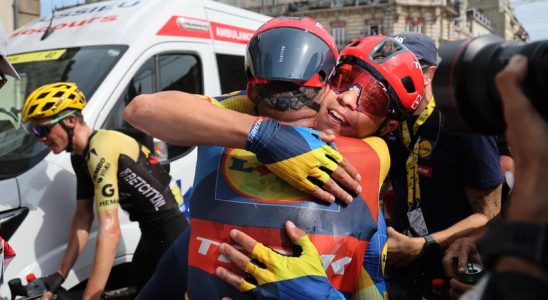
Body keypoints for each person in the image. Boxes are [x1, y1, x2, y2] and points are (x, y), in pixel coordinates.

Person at [125, 19, 424, 299]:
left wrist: (315, 295)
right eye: (345, 80)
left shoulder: (368, 172)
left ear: (387, 127)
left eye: (372, 99)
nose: (348, 98)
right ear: (325, 77)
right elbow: (142, 110)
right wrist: (264, 135)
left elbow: (371, 289)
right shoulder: (258, 106)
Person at [21, 82, 187, 300]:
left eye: (42, 129)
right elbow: (82, 217)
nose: (39, 137)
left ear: (70, 121)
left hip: (172, 232)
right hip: (149, 234)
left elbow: (110, 230)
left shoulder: (101, 147)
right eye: (33, 130)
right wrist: (60, 275)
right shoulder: (79, 157)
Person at [383, 32, 503, 299]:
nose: (391, 80)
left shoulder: (465, 122)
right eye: (387, 70)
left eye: (402, 70)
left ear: (430, 75)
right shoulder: (390, 120)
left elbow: (490, 214)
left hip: (452, 270)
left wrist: (423, 245)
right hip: (401, 269)